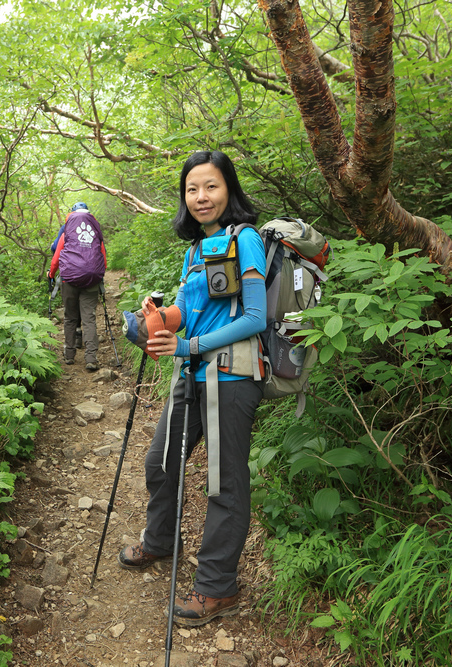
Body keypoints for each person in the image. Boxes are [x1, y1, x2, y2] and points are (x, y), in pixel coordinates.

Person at [118, 150, 267, 627]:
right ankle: (161, 541)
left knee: (224, 483)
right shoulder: (193, 252)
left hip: (231, 377)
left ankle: (217, 587)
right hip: (191, 377)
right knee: (160, 461)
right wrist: (157, 320)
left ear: (229, 191)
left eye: (211, 187)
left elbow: (255, 317)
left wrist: (189, 345)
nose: (201, 197)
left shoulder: (245, 241)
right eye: (192, 189)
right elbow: (185, 309)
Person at [48, 202, 107, 371]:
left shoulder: (67, 230)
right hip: (91, 279)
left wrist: (51, 274)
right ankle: (91, 358)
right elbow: (103, 257)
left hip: (70, 280)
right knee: (89, 318)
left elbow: (57, 255)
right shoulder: (95, 230)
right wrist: (98, 275)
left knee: (70, 317)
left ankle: (69, 355)